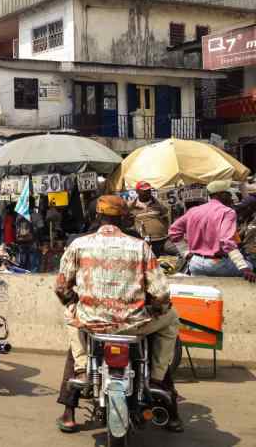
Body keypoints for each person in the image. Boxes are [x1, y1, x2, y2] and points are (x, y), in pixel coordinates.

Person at [54, 195, 183, 433]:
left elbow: (61, 288)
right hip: (134, 325)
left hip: (92, 323)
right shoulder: (140, 246)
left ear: (97, 216)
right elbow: (161, 293)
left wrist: (73, 301)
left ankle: (76, 390)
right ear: (124, 218)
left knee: (72, 318)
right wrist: (157, 306)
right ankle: (157, 381)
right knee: (171, 320)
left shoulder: (79, 245)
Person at [168, 180, 256, 282]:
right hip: (217, 264)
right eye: (229, 194)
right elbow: (226, 240)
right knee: (250, 265)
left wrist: (186, 252)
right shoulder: (227, 212)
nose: (232, 198)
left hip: (195, 263)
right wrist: (244, 267)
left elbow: (173, 231)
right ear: (221, 195)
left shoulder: (193, 211)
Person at [129, 181, 170, 257]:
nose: (147, 192)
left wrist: (167, 231)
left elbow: (166, 218)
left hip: (163, 239)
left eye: (149, 190)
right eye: (144, 191)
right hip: (145, 242)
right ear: (137, 191)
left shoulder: (158, 203)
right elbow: (129, 223)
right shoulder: (132, 206)